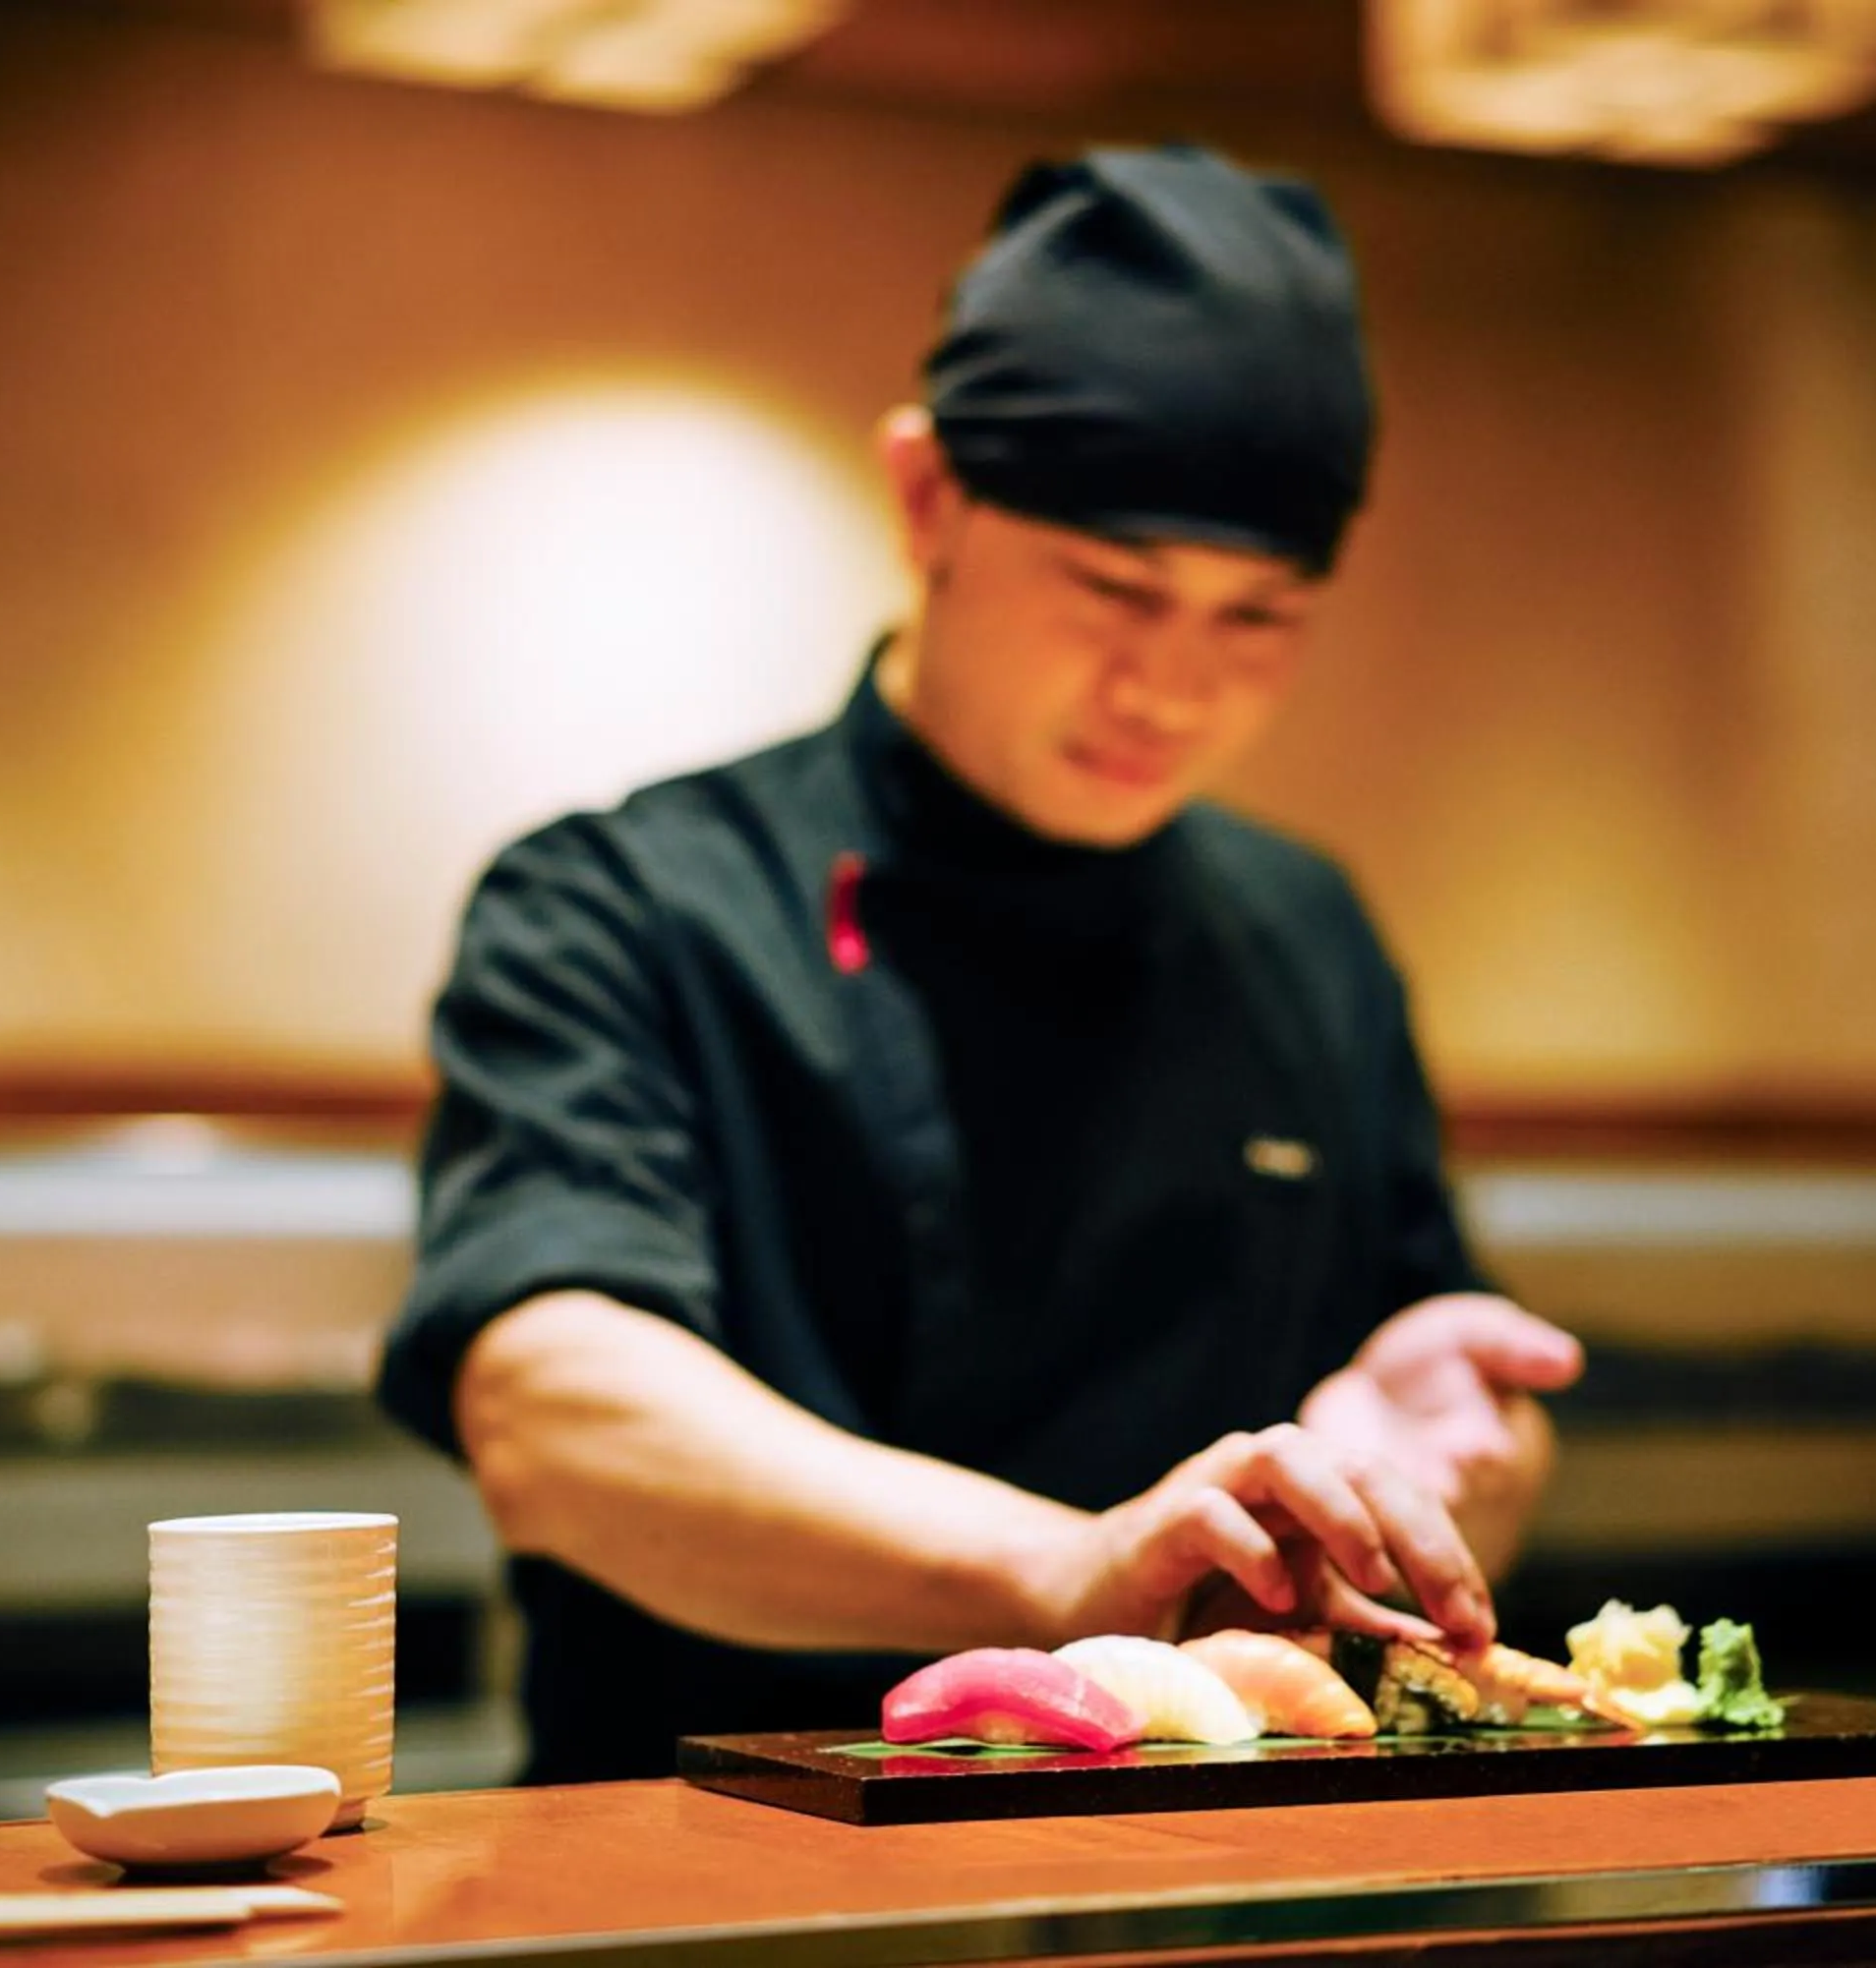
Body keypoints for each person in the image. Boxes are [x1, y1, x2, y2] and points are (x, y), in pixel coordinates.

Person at [375, 145, 1584, 1785]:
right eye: (1113, 587)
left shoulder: (1305, 931)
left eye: (1259, 619)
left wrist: (1440, 1454)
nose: (1171, 687)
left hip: (1238, 1877)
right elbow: (553, 1407)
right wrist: (1069, 1573)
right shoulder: (626, 899)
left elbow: (1435, 1393)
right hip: (725, 1878)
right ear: (928, 497)